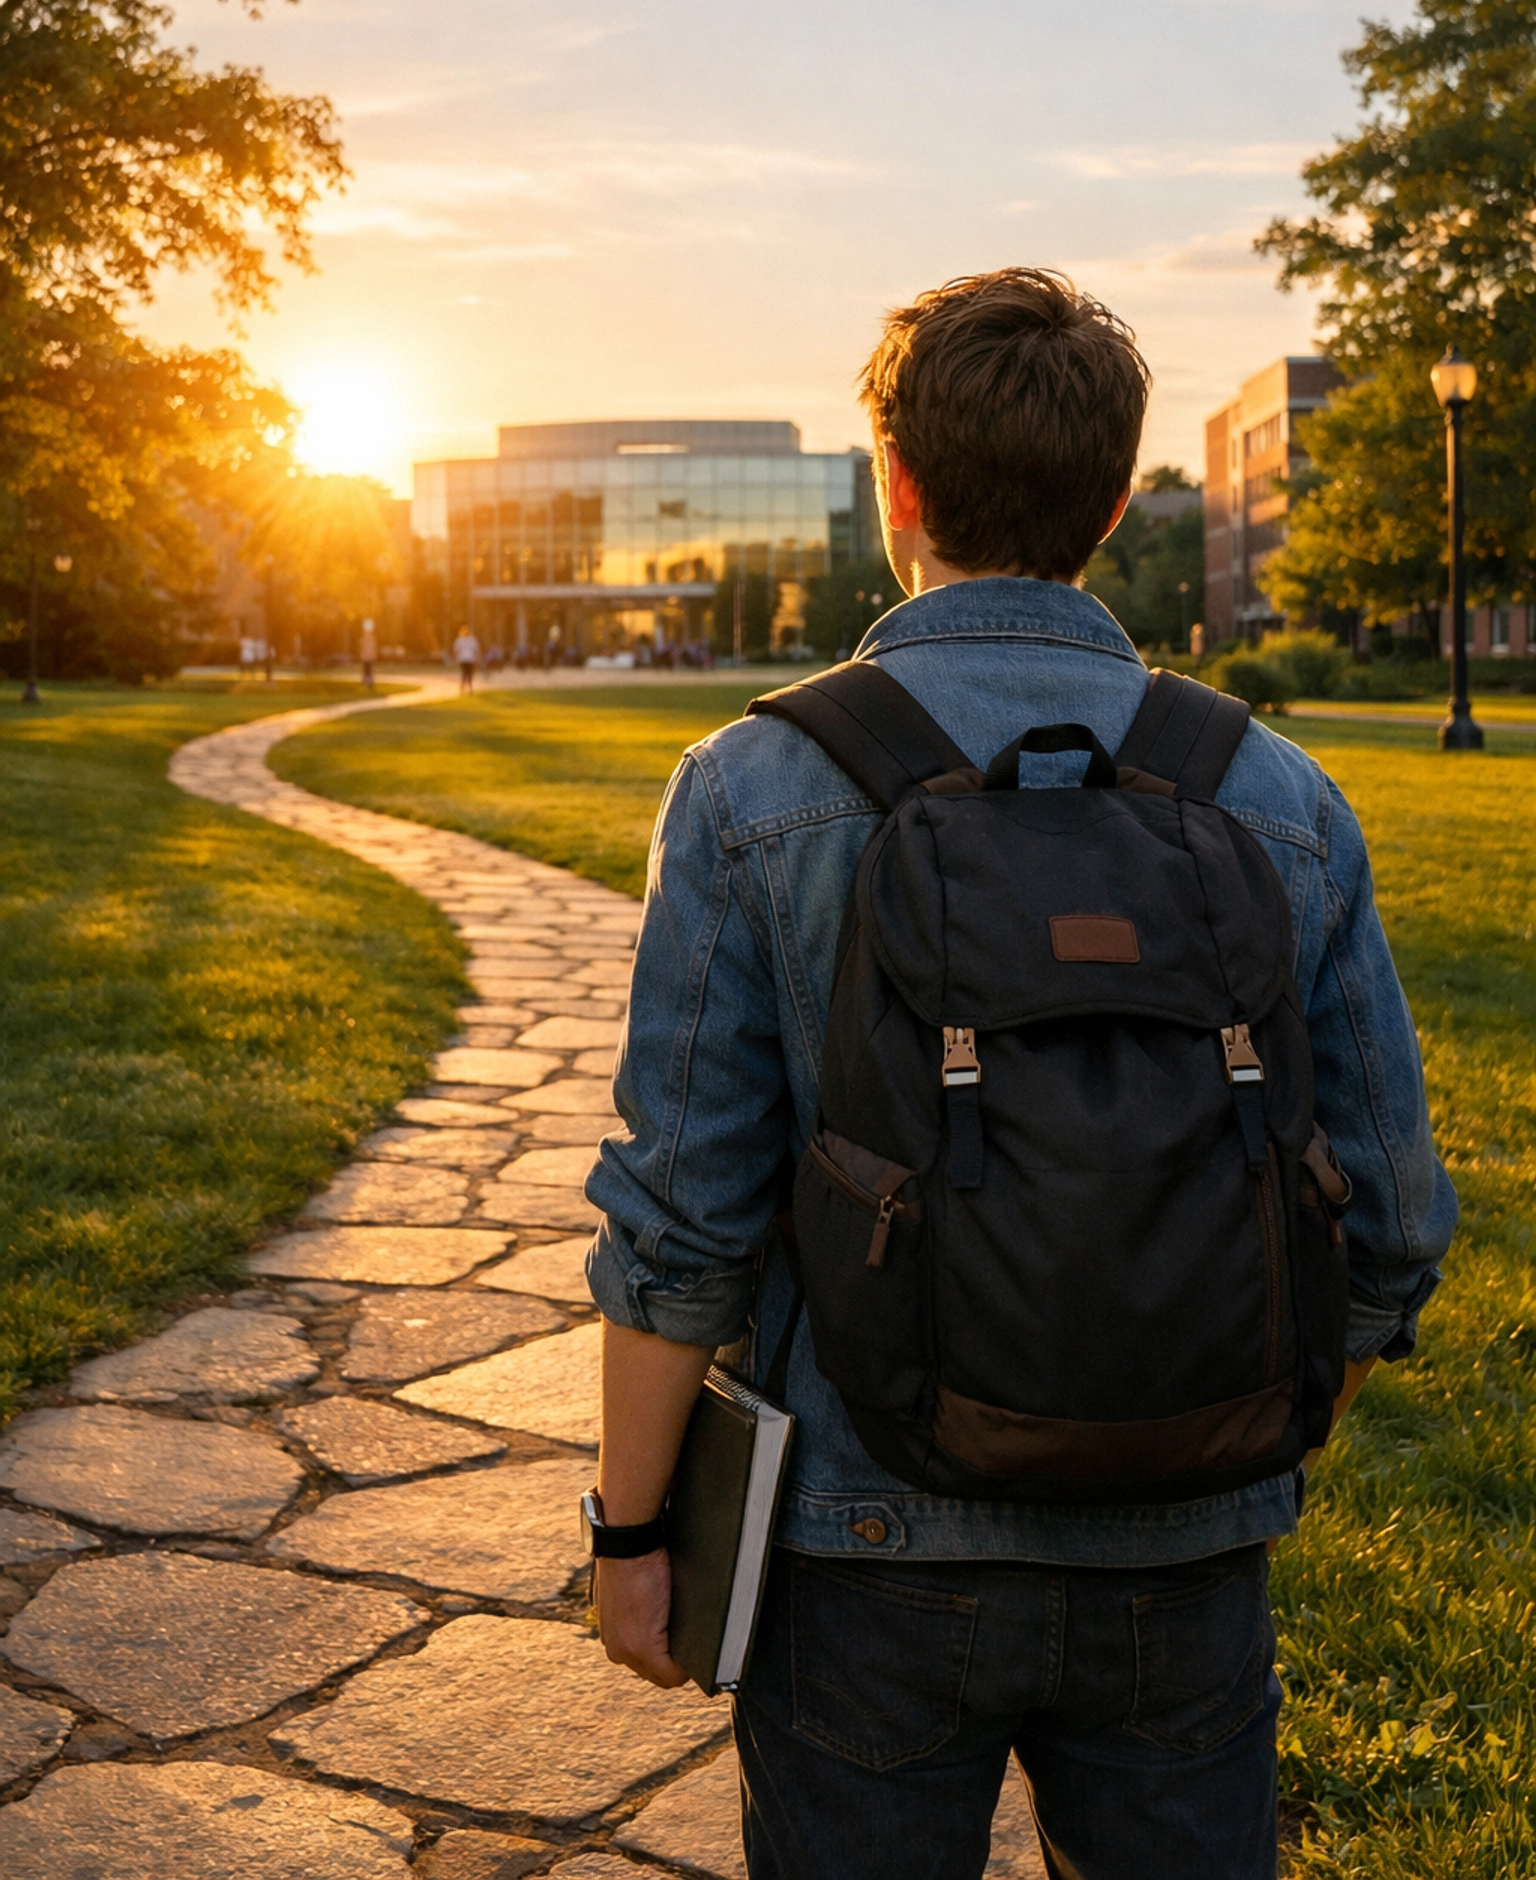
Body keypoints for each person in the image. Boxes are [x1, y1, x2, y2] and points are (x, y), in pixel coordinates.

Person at [584, 268, 1456, 1880]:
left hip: (862, 1540)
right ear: (1116, 504)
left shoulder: (757, 785)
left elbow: (682, 1221)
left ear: (895, 486)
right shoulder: (1270, 793)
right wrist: (1209, 1396)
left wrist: (635, 1535)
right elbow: (1395, 1221)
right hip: (1189, 1552)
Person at [452, 624, 481, 693]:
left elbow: (456, 650)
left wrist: (456, 657)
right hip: (470, 659)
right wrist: (478, 658)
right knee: (469, 674)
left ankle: (462, 688)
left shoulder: (459, 640)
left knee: (464, 673)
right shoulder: (472, 640)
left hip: (462, 659)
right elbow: (476, 650)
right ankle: (470, 688)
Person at [358, 617, 378, 692]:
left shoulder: (372, 640)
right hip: (366, 656)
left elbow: (373, 648)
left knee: (369, 669)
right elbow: (362, 647)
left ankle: (369, 682)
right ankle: (366, 682)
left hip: (369, 656)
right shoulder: (364, 640)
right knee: (366, 669)